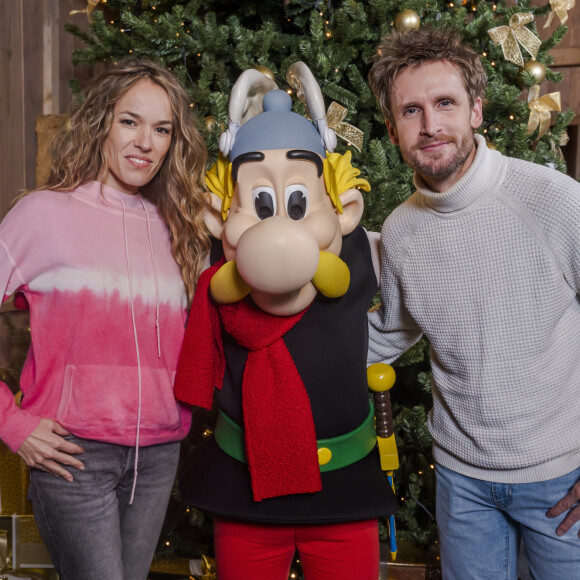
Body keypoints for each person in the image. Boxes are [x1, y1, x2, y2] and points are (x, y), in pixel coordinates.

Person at [367, 26, 580, 580]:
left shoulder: (555, 201)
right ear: (392, 131)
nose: (431, 125)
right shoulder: (401, 230)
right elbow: (388, 333)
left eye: (445, 104)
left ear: (477, 111)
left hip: (561, 479)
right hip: (462, 485)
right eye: (411, 111)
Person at [173, 64, 397, 580]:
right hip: (243, 487)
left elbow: (417, 312)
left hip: (346, 489)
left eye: (298, 203)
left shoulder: (374, 248)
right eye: (261, 204)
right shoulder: (201, 265)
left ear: (345, 210)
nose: (279, 229)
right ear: (218, 217)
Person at [0, 58, 210, 580]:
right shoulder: (42, 215)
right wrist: (11, 423)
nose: (146, 141)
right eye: (130, 121)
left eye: (162, 129)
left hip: (158, 456)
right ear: (102, 122)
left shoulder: (179, 226)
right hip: (73, 454)